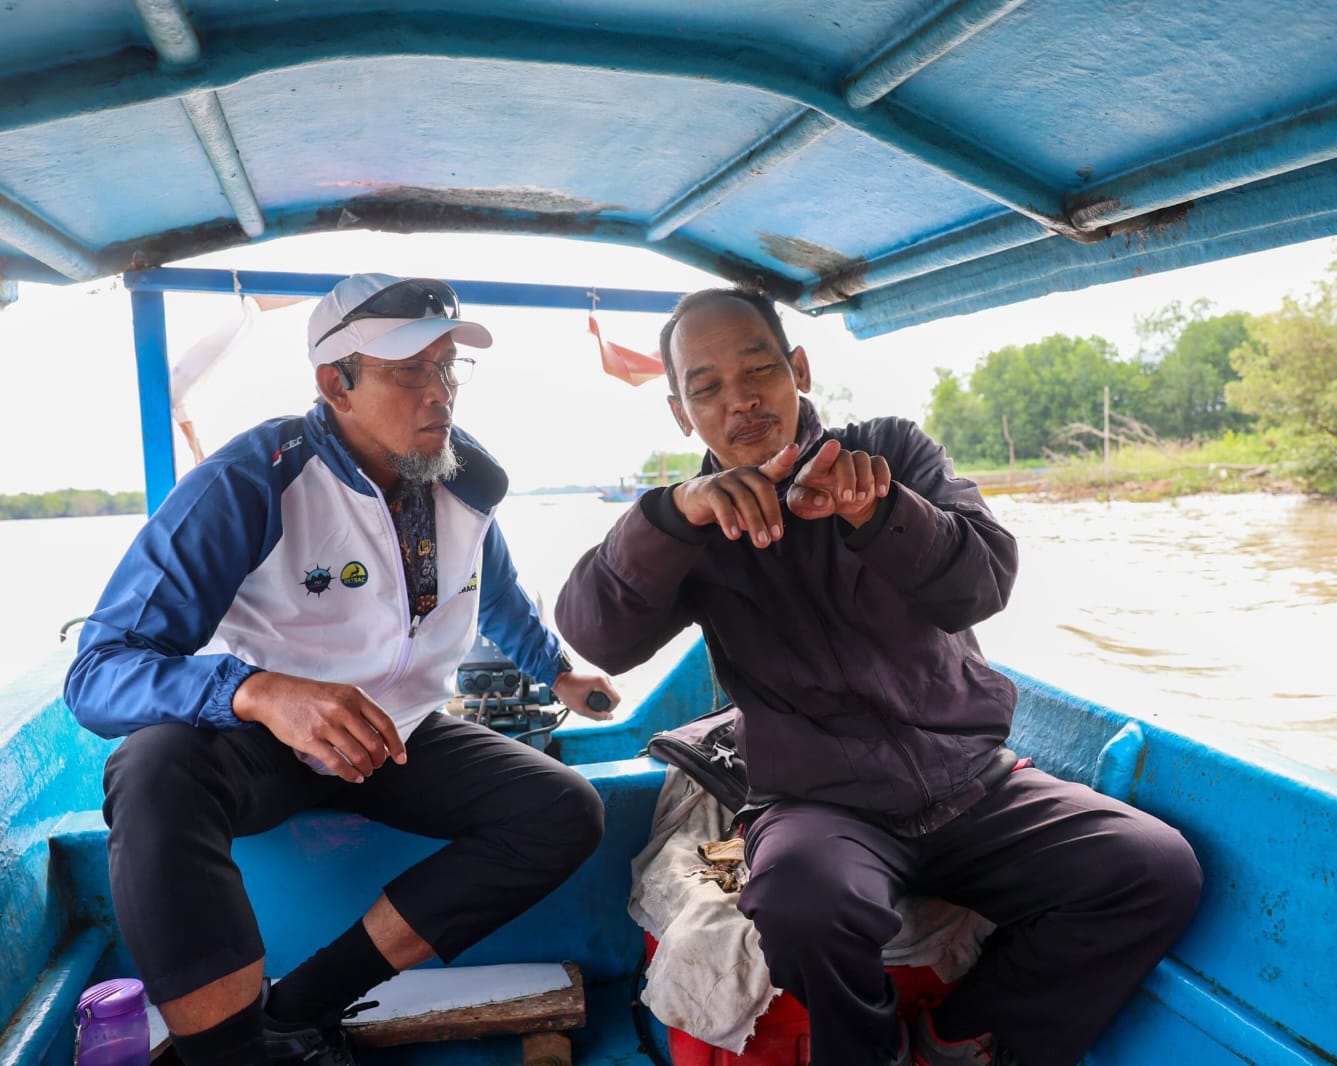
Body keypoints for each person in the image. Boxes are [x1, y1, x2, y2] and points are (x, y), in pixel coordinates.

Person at [556, 288, 1203, 1066]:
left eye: (759, 369)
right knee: (799, 901)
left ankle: (958, 1041)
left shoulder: (891, 453)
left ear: (797, 368)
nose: (742, 400)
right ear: (679, 412)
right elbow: (597, 633)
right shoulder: (686, 523)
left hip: (971, 782)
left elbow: (985, 583)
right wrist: (668, 518)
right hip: (819, 804)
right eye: (708, 388)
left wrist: (881, 511)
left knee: (1154, 869)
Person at [65, 273, 620, 1066]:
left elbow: (495, 592)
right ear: (336, 383)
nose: (439, 394)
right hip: (264, 741)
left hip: (401, 733)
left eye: (446, 368)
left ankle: (304, 1005)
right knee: (151, 767)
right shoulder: (252, 480)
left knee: (565, 808)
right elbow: (100, 671)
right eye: (407, 371)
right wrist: (258, 693)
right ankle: (231, 1054)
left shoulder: (462, 484)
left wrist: (559, 673)